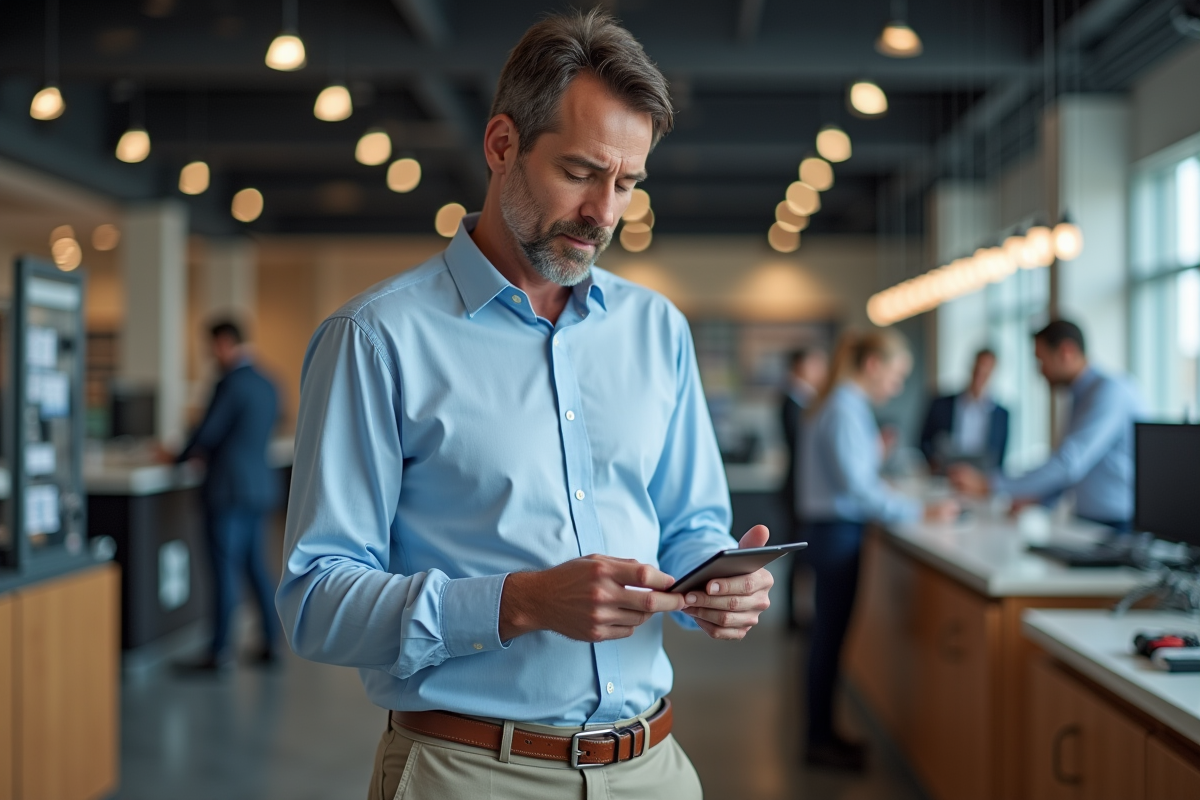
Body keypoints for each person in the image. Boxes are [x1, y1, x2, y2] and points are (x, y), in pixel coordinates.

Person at [276, 12, 773, 800]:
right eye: (580, 172)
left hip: (655, 770)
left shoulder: (656, 331)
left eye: (628, 183)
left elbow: (688, 524)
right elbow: (317, 601)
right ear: (502, 144)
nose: (604, 213)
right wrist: (522, 603)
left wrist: (714, 582)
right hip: (468, 773)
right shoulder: (376, 339)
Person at [800, 330, 958, 771]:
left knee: (828, 640)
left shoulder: (839, 404)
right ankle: (819, 738)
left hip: (833, 530)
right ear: (873, 364)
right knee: (829, 640)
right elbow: (858, 487)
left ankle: (822, 733)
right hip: (837, 534)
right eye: (897, 373)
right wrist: (919, 511)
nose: (898, 385)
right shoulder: (844, 408)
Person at [949, 320, 1142, 531]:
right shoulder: (1079, 396)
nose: (1040, 371)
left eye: (1041, 361)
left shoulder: (1109, 392)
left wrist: (990, 485)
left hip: (1120, 524)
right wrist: (1036, 498)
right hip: (1090, 522)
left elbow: (1069, 463)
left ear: (1066, 352)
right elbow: (1079, 467)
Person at [174, 319, 281, 670]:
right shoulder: (268, 382)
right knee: (255, 567)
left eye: (211, 348)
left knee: (223, 571)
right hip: (259, 487)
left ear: (223, 343)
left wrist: (177, 456)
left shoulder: (229, 383)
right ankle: (271, 642)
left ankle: (219, 652)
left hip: (227, 490)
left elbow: (207, 432)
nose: (210, 356)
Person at [779, 348, 827, 629]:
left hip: (801, 489)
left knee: (800, 555)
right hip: (797, 491)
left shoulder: (805, 400)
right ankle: (792, 616)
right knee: (797, 554)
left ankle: (797, 613)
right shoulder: (792, 400)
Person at [919, 348, 1009, 473]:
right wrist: (933, 461)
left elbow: (1000, 457)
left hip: (980, 480)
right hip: (943, 476)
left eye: (986, 370)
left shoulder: (1002, 415)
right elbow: (923, 441)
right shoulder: (941, 404)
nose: (981, 373)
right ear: (972, 367)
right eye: (979, 368)